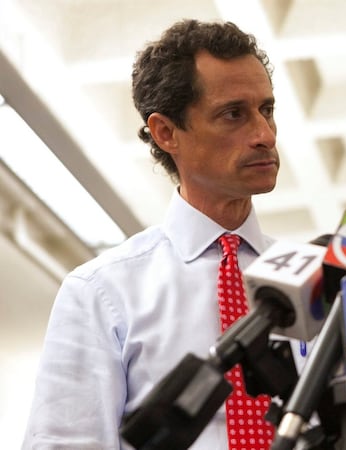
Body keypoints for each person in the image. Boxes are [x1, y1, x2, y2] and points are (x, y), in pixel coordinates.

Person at [24, 19, 287, 449]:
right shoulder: (102, 292)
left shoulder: (321, 281)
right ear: (166, 133)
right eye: (233, 114)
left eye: (267, 110)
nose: (264, 135)